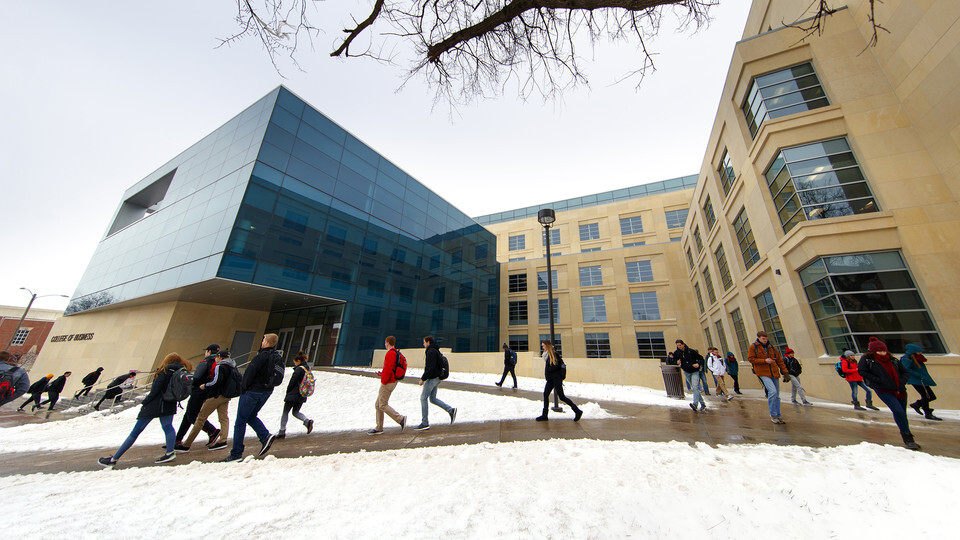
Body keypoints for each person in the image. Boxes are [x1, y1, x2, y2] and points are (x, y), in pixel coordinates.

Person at [97, 353, 192, 467]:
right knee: (168, 427)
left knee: (136, 431)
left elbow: (154, 391)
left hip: (154, 405)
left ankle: (113, 459)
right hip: (169, 403)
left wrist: (144, 402)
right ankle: (170, 452)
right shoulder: (179, 371)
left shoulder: (165, 372)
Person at [222, 334, 280, 462]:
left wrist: (243, 388)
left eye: (264, 339)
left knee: (240, 422)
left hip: (252, 391)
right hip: (266, 392)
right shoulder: (276, 357)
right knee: (251, 416)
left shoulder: (260, 357)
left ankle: (236, 453)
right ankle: (265, 436)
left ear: (267, 342)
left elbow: (248, 375)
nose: (262, 341)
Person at [858, 337, 920, 450]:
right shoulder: (868, 360)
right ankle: (908, 438)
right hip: (883, 389)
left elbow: (905, 372)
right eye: (879, 351)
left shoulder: (893, 360)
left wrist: (902, 381)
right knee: (898, 411)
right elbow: (862, 372)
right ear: (873, 351)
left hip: (899, 389)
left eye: (884, 350)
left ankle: (908, 436)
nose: (882, 353)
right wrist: (878, 380)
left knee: (902, 414)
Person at [180, 350, 241, 451]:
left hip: (216, 395)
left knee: (200, 418)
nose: (215, 359)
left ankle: (186, 444)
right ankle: (223, 440)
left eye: (216, 357)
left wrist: (205, 386)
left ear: (220, 357)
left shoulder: (220, 366)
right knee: (223, 418)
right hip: (226, 395)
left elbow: (216, 381)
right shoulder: (232, 366)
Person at [174, 345, 222, 448]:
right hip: (207, 391)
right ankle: (177, 439)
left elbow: (196, 377)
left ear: (209, 351)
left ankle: (212, 430)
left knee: (192, 416)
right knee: (188, 415)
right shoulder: (217, 363)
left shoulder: (205, 362)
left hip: (198, 392)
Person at [414, 336, 457, 431]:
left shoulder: (431, 352)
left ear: (428, 342)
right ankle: (451, 410)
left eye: (424, 342)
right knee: (432, 399)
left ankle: (425, 423)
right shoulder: (436, 350)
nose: (423, 344)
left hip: (432, 378)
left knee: (423, 398)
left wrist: (422, 379)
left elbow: (430, 368)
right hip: (437, 378)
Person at [747, 331, 789, 424]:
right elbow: (751, 359)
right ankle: (773, 414)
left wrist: (785, 372)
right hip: (763, 372)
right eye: (763, 338)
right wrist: (764, 361)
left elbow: (780, 361)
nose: (765, 340)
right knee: (772, 391)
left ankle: (778, 415)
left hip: (774, 372)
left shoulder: (772, 348)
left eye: (766, 338)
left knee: (777, 395)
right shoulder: (753, 347)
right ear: (758, 337)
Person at [368, 336, 407, 435]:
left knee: (382, 405)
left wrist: (383, 381)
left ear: (388, 343)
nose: (385, 344)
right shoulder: (395, 353)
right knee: (378, 405)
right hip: (391, 380)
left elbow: (389, 369)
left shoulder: (390, 353)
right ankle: (379, 427)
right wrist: (382, 374)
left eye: (385, 342)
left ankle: (400, 419)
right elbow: (390, 369)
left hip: (388, 383)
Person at [535, 340, 582, 421]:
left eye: (543, 346)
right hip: (551, 379)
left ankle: (577, 411)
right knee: (545, 394)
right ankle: (544, 415)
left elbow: (556, 366)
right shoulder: (547, 355)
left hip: (556, 378)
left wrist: (549, 370)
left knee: (562, 397)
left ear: (547, 346)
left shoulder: (554, 354)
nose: (542, 347)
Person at [277, 351, 315, 438]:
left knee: (285, 412)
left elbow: (292, 382)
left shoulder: (299, 369)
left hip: (293, 394)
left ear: (298, 361)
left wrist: (288, 391)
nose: (294, 363)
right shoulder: (307, 369)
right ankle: (307, 421)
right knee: (295, 411)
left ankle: (282, 431)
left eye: (295, 361)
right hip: (302, 394)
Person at [901, 344, 941, 421]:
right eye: (918, 352)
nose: (920, 353)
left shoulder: (916, 357)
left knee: (931, 396)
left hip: (921, 379)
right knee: (926, 396)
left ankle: (917, 404)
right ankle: (927, 413)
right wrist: (918, 375)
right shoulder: (906, 358)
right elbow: (906, 369)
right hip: (916, 380)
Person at [675, 339, 706, 412]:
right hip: (686, 372)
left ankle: (695, 404)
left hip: (694, 371)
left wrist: (698, 364)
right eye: (677, 345)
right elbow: (673, 360)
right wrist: (677, 362)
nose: (679, 347)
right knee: (694, 388)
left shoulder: (691, 351)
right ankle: (703, 404)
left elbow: (701, 358)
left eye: (680, 345)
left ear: (683, 344)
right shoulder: (677, 353)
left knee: (695, 387)